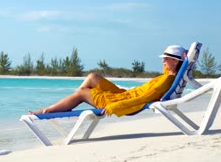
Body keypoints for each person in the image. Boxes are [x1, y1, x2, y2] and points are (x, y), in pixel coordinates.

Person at [29, 45, 187, 117]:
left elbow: (143, 99)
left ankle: (47, 111)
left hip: (126, 101)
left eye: (166, 59)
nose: (163, 62)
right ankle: (68, 105)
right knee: (92, 77)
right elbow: (171, 69)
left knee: (82, 93)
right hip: (125, 94)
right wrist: (185, 58)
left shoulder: (166, 81)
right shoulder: (169, 75)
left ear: (175, 61)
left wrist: (114, 106)